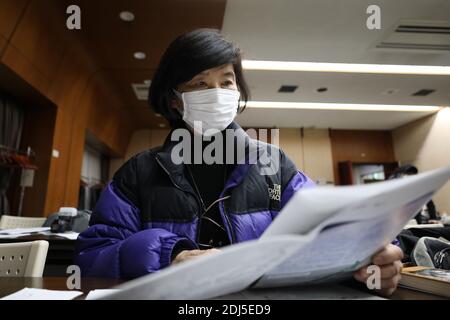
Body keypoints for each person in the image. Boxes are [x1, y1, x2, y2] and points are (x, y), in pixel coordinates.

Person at [74, 29, 403, 296]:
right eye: (200, 84)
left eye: (226, 81)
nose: (217, 92)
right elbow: (92, 257)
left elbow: (331, 231)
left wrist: (374, 256)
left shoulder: (274, 164)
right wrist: (166, 255)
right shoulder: (139, 172)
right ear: (175, 101)